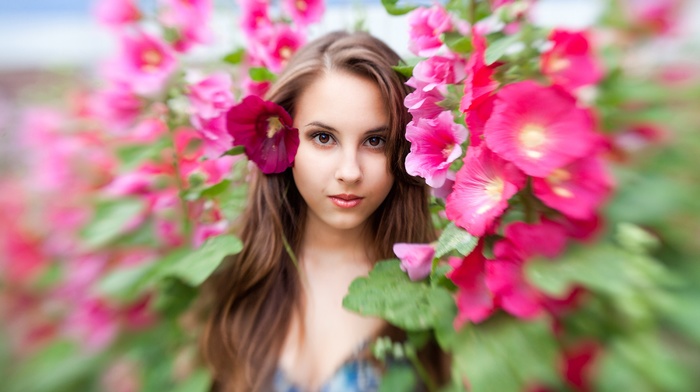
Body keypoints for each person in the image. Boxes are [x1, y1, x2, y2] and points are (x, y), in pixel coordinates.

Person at [201, 30, 445, 391]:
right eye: (323, 137)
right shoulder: (233, 275)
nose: (349, 171)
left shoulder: (438, 285)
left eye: (375, 141)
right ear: (280, 137)